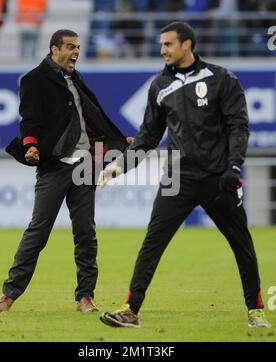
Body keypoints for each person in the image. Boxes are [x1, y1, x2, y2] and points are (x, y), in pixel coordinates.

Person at [98, 22, 272, 329]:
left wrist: (234, 166)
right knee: (153, 242)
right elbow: (147, 137)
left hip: (218, 178)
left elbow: (238, 126)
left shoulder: (221, 79)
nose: (162, 50)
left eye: (168, 44)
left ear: (187, 45)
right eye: (161, 44)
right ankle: (130, 310)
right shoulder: (159, 86)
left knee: (241, 243)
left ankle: (256, 310)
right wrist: (119, 166)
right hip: (178, 178)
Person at [0, 29, 128, 314]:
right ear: (54, 49)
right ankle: (9, 294)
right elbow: (29, 121)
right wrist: (30, 146)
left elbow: (95, 120)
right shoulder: (34, 80)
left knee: (86, 234)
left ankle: (85, 298)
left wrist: (117, 140)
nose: (76, 51)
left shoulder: (76, 79)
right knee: (38, 232)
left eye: (78, 46)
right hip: (54, 167)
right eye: (70, 46)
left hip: (85, 166)